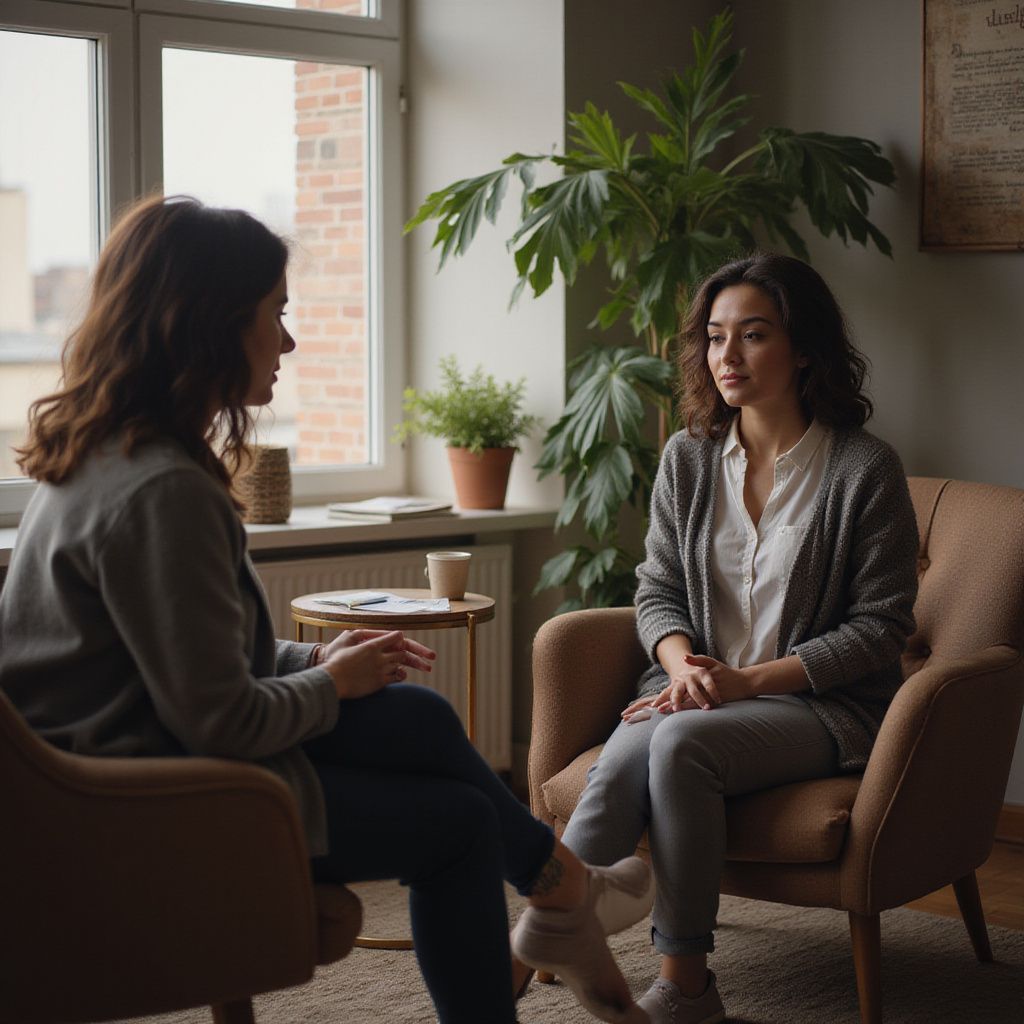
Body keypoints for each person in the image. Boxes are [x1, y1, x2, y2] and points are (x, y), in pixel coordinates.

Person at [0, 195, 654, 1024]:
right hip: (142, 806)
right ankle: (565, 896)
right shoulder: (162, 490)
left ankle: (562, 895)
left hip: (114, 765)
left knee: (413, 716)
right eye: (275, 314)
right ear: (208, 325)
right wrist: (333, 687)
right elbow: (217, 720)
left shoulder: (102, 455)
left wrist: (317, 662)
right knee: (455, 827)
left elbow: (177, 659)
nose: (289, 340)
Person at [559, 253, 919, 1024]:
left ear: (805, 349)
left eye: (753, 335)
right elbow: (656, 589)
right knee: (630, 751)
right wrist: (683, 666)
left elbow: (882, 629)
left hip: (817, 706)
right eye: (716, 337)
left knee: (678, 745)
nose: (727, 356)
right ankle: (550, 932)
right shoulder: (688, 459)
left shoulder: (863, 469)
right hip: (692, 689)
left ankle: (686, 984)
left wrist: (746, 683)